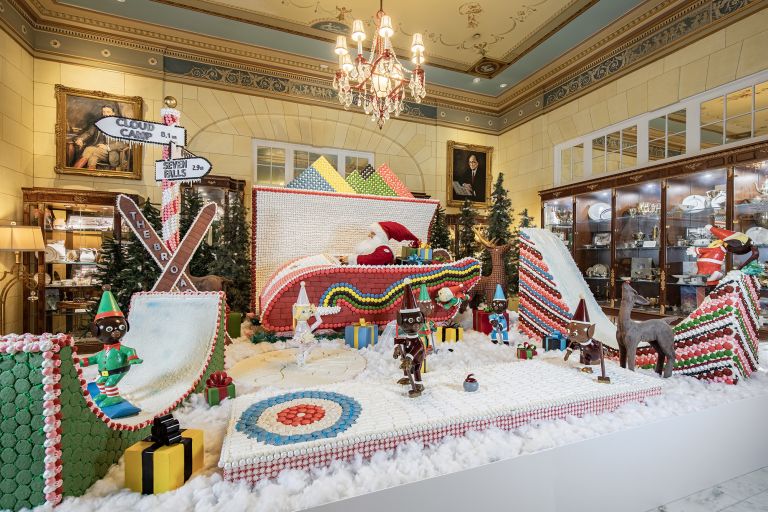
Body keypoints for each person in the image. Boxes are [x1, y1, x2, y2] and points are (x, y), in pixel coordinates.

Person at [71, 105, 129, 170]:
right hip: (98, 150)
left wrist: (108, 147)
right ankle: (89, 177)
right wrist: (81, 139)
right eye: (104, 112)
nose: (106, 114)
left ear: (113, 114)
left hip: (112, 154)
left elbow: (124, 143)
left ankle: (73, 171)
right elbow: (89, 133)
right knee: (92, 158)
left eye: (108, 112)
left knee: (89, 149)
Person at [339, 221, 420, 265]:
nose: (369, 235)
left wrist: (351, 259)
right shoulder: (374, 247)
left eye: (373, 233)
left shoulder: (385, 250)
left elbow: (374, 259)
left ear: (381, 237)